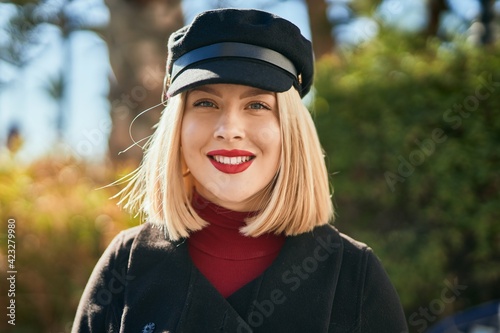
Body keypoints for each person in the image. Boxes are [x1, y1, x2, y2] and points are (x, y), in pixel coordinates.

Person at [72, 8, 409, 333]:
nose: (229, 128)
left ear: (290, 130)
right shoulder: (126, 266)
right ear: (177, 126)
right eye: (205, 103)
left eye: (257, 105)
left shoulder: (354, 276)